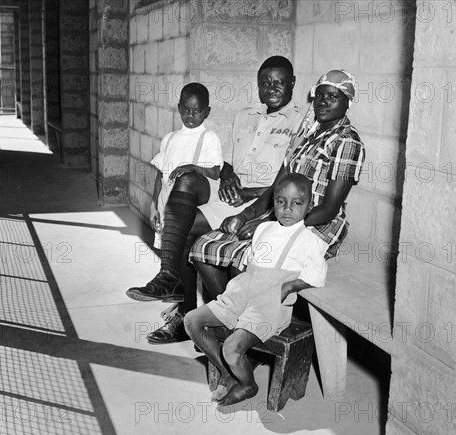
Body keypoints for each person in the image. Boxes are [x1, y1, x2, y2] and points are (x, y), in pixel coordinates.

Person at [127, 56, 306, 345]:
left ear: (293, 83)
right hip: (232, 195)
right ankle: (172, 285)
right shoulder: (245, 115)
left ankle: (199, 315)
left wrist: (256, 194)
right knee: (185, 181)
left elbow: (293, 182)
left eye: (279, 82)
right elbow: (228, 162)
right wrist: (228, 173)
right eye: (265, 82)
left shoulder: (302, 123)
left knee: (185, 229)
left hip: (265, 204)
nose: (271, 88)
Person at [191, 69, 366, 306]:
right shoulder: (307, 134)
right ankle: (232, 315)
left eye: (334, 97)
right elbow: (277, 186)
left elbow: (329, 209)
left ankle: (250, 322)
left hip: (316, 224)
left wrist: (267, 224)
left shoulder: (347, 142)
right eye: (320, 95)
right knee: (203, 247)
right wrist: (245, 215)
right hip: (283, 214)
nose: (324, 102)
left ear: (348, 102)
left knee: (245, 258)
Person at [184, 173, 328, 406]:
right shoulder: (264, 229)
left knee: (231, 348)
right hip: (242, 294)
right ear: (274, 203)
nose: (287, 209)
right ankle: (229, 374)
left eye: (297, 203)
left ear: (308, 206)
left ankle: (248, 385)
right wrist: (236, 293)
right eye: (281, 202)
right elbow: (249, 264)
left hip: (268, 305)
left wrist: (287, 287)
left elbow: (317, 276)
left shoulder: (310, 241)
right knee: (192, 321)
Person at [126, 82, 223, 304]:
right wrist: (153, 205)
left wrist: (193, 167)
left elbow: (216, 172)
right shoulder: (170, 139)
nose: (191, 115)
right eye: (186, 109)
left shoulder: (208, 137)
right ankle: (178, 291)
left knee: (185, 184)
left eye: (197, 110)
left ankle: (168, 278)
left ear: (207, 112)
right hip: (169, 202)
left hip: (196, 196)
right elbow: (160, 176)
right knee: (176, 251)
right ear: (179, 108)